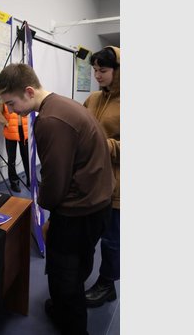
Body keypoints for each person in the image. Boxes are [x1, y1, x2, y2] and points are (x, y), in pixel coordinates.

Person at [0, 63, 114, 335]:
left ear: (29, 91)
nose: (11, 111)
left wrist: (47, 214)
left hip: (78, 212)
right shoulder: (63, 105)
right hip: (97, 203)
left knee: (64, 277)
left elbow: (55, 181)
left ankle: (72, 325)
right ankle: (62, 309)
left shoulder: (49, 120)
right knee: (79, 266)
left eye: (11, 103)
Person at [83, 46, 121, 308]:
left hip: (118, 183)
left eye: (103, 70)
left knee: (111, 239)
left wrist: (104, 145)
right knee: (90, 233)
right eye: (95, 70)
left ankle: (107, 284)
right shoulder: (94, 98)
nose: (97, 75)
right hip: (92, 180)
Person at [0, 99, 30, 192]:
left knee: (27, 157)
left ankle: (31, 180)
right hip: (10, 131)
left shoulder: (22, 96)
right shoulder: (4, 98)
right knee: (11, 159)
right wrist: (6, 123)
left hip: (24, 130)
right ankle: (14, 183)